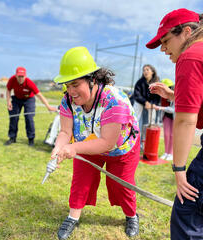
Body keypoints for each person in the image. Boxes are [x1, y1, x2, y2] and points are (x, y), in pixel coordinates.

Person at [51, 46, 140, 239]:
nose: (71, 91)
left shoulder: (114, 101)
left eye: (75, 84)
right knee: (80, 181)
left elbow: (107, 143)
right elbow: (65, 131)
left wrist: (72, 147)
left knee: (121, 185)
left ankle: (131, 215)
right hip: (85, 143)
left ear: (92, 79)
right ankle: (72, 217)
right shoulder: (67, 101)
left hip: (121, 148)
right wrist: (58, 148)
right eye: (67, 85)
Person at [146, 8, 203, 239]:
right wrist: (173, 95)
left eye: (166, 40)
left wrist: (179, 170)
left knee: (187, 215)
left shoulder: (190, 55)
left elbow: (186, 121)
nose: (163, 48)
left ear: (187, 32)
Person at [5, 67, 57, 146]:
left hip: (29, 99)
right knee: (13, 117)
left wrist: (48, 106)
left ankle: (31, 139)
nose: (21, 78)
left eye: (22, 76)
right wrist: (8, 102)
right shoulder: (12, 80)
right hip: (17, 99)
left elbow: (39, 95)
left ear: (25, 76)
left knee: (29, 117)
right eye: (19, 76)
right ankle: (12, 138)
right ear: (16, 75)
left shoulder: (29, 83)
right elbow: (8, 90)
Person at [133, 64, 161, 149]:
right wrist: (145, 102)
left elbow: (157, 96)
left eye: (147, 70)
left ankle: (147, 144)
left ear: (152, 72)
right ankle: (135, 143)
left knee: (150, 122)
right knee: (135, 121)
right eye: (144, 70)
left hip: (151, 105)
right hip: (140, 103)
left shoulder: (156, 82)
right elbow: (137, 95)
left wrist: (151, 104)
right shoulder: (140, 82)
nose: (145, 71)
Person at [154, 78, 175, 161]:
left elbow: (172, 109)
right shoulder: (162, 96)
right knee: (166, 134)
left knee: (172, 135)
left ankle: (171, 153)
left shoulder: (174, 94)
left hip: (174, 117)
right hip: (166, 116)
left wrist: (159, 108)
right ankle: (166, 152)